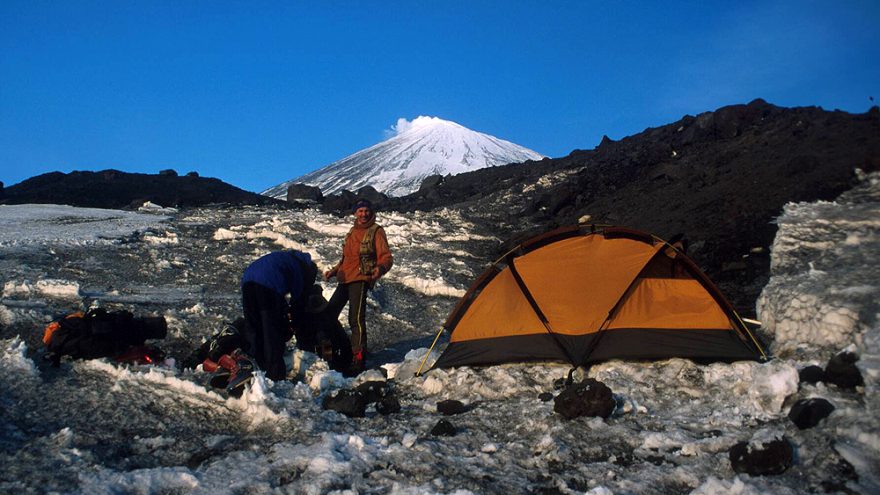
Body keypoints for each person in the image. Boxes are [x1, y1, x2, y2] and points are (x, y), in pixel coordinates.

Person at [323, 199, 393, 373]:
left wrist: (380, 269)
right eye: (360, 211)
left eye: (366, 210)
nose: (364, 214)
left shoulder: (376, 231)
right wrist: (334, 271)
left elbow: (386, 257)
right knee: (329, 314)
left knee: (355, 319)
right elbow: (346, 258)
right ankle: (336, 351)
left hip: (361, 278)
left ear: (371, 212)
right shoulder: (352, 231)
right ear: (355, 213)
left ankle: (358, 358)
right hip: (345, 278)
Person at [239, 249, 318, 381]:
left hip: (248, 280)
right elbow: (298, 302)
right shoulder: (300, 269)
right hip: (268, 284)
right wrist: (296, 327)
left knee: (253, 326)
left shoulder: (286, 258)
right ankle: (274, 374)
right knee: (271, 330)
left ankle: (254, 366)